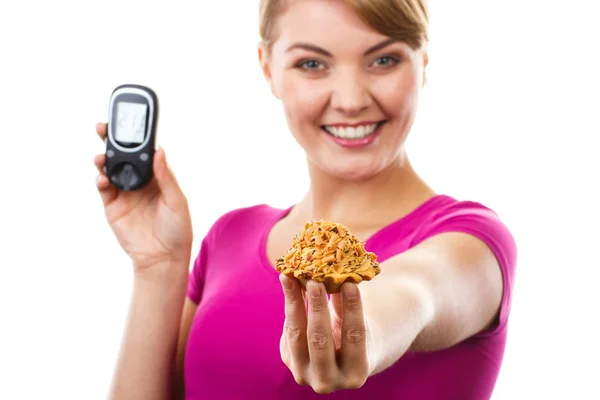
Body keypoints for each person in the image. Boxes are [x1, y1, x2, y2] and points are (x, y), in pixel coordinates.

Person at [93, 0, 517, 399]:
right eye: (312, 64)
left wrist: (359, 327)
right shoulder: (229, 236)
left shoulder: (471, 243)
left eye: (384, 60)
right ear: (268, 68)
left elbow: (416, 291)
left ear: (423, 61)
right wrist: (158, 267)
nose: (351, 100)